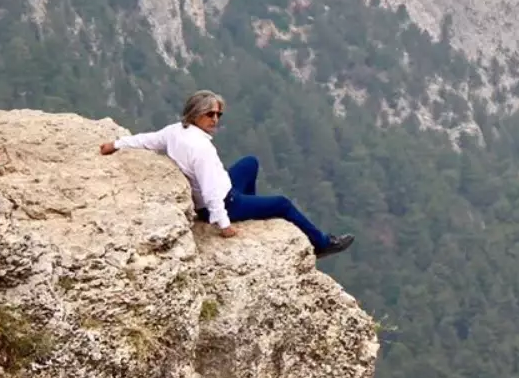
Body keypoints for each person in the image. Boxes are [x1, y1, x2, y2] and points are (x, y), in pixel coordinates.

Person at [98, 90, 354, 259]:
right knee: (282, 204)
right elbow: (210, 192)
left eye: (219, 114)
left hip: (226, 189)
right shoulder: (201, 148)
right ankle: (321, 244)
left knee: (250, 163)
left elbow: (148, 140)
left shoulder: (176, 130)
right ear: (194, 114)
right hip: (226, 203)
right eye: (210, 114)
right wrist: (224, 225)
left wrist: (117, 144)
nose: (215, 119)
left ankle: (253, 210)